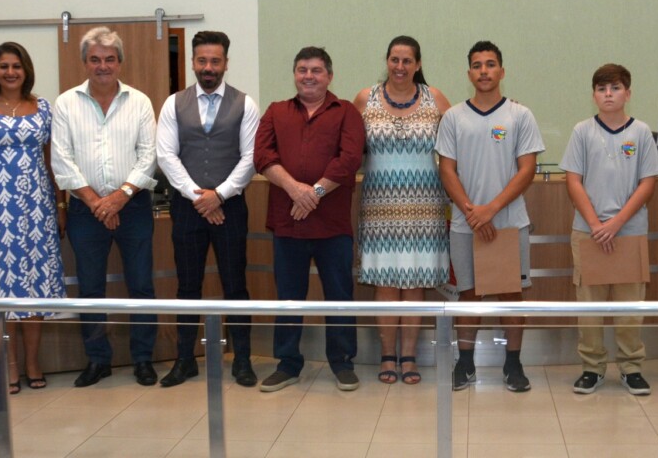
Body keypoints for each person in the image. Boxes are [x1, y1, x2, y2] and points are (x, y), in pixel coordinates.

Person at [51, 27, 160, 388]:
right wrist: (98, 202)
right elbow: (61, 160)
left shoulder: (139, 102)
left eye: (109, 59)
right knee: (90, 288)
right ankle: (98, 360)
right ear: (85, 62)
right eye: (95, 59)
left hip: (133, 206)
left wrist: (119, 197)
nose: (102, 66)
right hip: (86, 210)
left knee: (141, 286)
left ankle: (143, 359)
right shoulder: (66, 104)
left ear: (119, 63)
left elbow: (148, 156)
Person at [254, 47, 365, 392]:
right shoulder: (276, 111)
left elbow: (350, 159)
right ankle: (288, 364)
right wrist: (294, 189)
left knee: (339, 296)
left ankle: (342, 363)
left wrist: (313, 194)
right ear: (294, 75)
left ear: (329, 76)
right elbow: (262, 156)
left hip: (332, 225)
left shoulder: (346, 112)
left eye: (316, 70)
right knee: (289, 297)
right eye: (302, 69)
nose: (308, 76)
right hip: (289, 223)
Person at [436, 41, 544, 393]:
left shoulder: (520, 115)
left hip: (508, 222)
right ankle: (465, 363)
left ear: (502, 71)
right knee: (468, 295)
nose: (484, 71)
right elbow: (447, 169)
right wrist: (473, 212)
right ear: (469, 73)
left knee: (511, 294)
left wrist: (491, 210)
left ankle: (513, 364)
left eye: (490, 64)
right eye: (477, 65)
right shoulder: (454, 117)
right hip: (465, 224)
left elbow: (527, 169)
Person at [0, 42, 66, 394]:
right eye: (3, 66)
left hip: (37, 212)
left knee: (34, 289)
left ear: (26, 70)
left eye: (16, 66)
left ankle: (33, 362)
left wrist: (60, 206)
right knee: (3, 288)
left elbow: (53, 164)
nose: (10, 72)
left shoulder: (44, 108)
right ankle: (10, 365)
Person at [156, 31, 260, 388]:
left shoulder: (245, 104)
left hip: (231, 208)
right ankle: (184, 360)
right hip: (187, 209)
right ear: (192, 62)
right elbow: (166, 156)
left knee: (236, 285)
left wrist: (220, 195)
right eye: (202, 60)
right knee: (187, 286)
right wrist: (199, 197)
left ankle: (242, 360)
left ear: (226, 63)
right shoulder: (173, 104)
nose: (208, 67)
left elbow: (250, 158)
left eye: (215, 61)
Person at [353, 35, 451, 385]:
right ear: (387, 61)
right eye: (394, 59)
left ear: (418, 64)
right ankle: (386, 355)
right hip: (379, 206)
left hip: (425, 207)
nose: (400, 66)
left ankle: (408, 357)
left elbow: (461, 137)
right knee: (384, 282)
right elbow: (346, 147)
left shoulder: (435, 98)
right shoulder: (365, 98)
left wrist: (504, 111)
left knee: (415, 283)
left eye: (407, 60)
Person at [562, 63, 658, 396]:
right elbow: (573, 180)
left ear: (627, 93)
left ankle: (631, 367)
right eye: (602, 88)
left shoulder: (641, 132)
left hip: (629, 232)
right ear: (594, 95)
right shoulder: (582, 131)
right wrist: (596, 225)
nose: (608, 94)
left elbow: (648, 183)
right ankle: (592, 368)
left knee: (630, 306)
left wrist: (616, 223)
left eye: (615, 88)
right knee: (589, 307)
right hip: (588, 231)